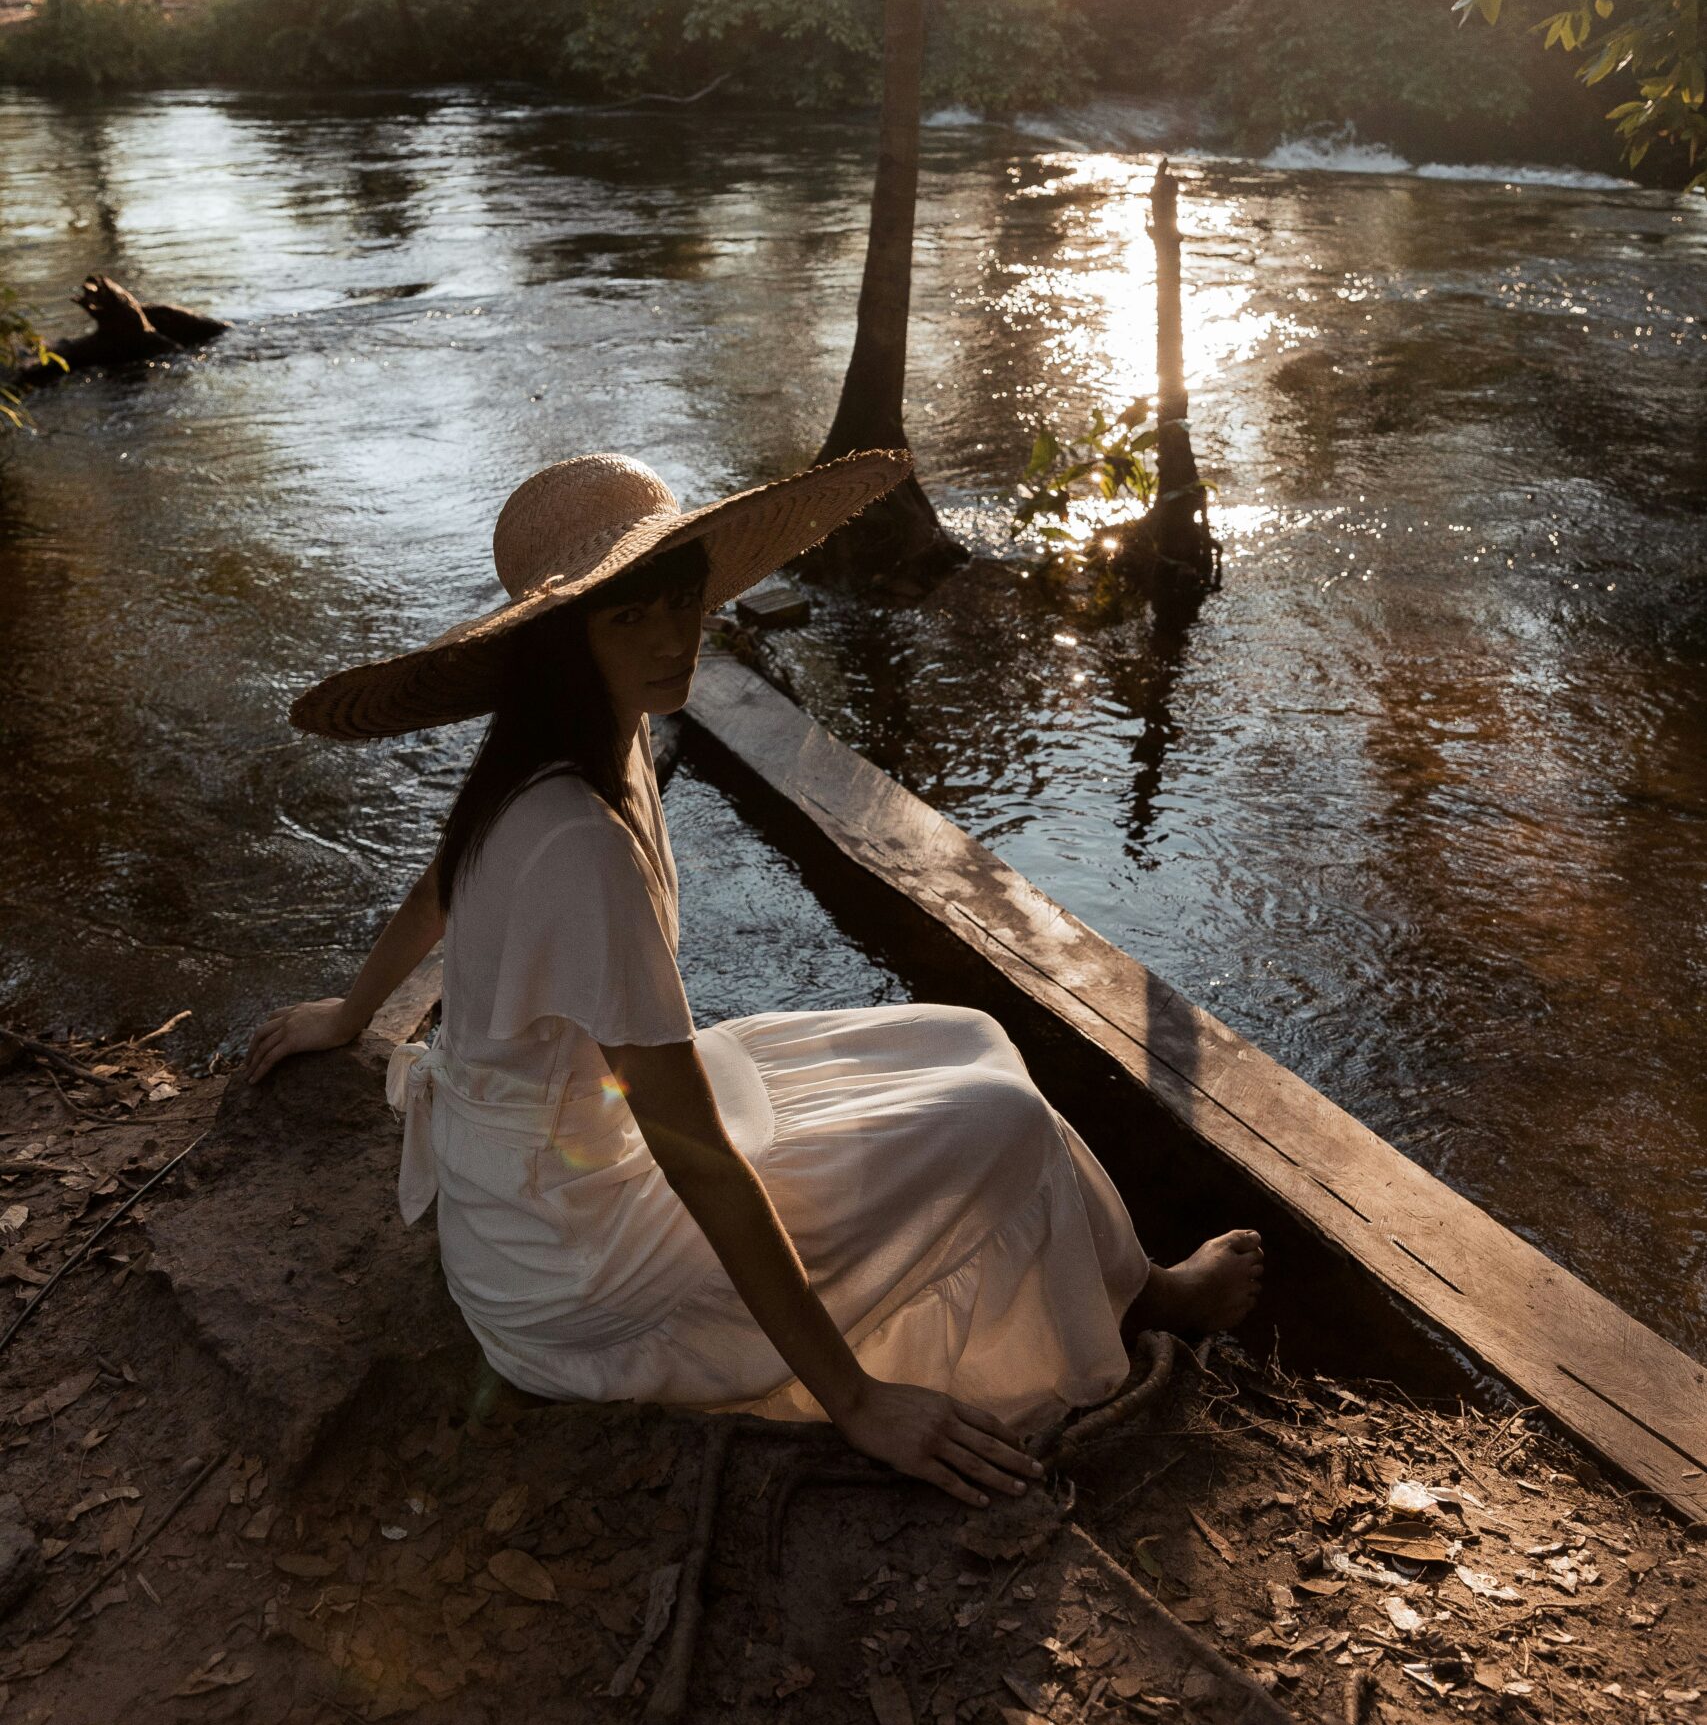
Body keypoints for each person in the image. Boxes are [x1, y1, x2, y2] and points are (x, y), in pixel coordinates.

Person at [246, 448, 1262, 1507]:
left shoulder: (570, 743)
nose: (673, 636)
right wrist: (860, 1400)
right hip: (566, 1252)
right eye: (627, 616)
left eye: (682, 601)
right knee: (1000, 1122)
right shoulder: (576, 835)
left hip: (543, 1172)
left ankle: (1138, 1281)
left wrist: (352, 1013)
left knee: (961, 1035)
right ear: (560, 643)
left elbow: (439, 882)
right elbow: (699, 1159)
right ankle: (1140, 1302)